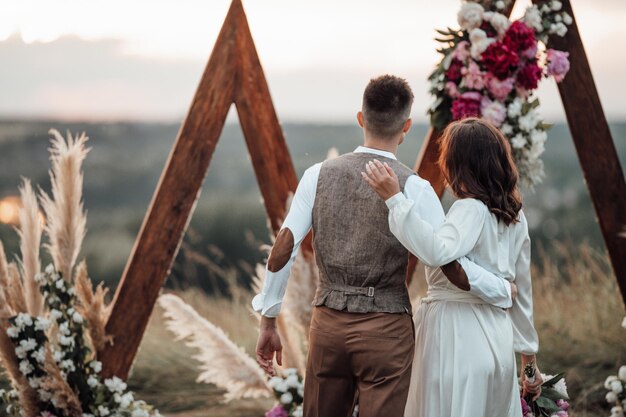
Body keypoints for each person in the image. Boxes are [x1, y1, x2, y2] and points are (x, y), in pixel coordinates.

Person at [252, 76, 513, 417]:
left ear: (361, 118)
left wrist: (268, 320)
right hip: (386, 331)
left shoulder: (317, 174)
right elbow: (450, 265)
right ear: (406, 126)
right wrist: (503, 288)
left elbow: (283, 247)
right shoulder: (417, 188)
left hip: (328, 326)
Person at [363, 117, 542, 417]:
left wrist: (395, 200)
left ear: (458, 165)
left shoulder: (470, 208)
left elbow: (437, 252)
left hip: (457, 335)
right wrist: (529, 364)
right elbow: (522, 292)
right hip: (497, 339)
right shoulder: (516, 216)